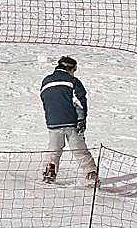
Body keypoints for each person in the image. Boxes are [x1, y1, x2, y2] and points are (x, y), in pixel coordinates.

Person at [40, 55, 98, 184]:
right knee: (79, 149)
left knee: (54, 149)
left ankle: (50, 171)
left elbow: (45, 99)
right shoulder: (73, 81)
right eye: (75, 70)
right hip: (71, 121)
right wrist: (82, 120)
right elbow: (80, 101)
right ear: (70, 68)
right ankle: (91, 174)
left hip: (53, 121)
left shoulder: (46, 81)